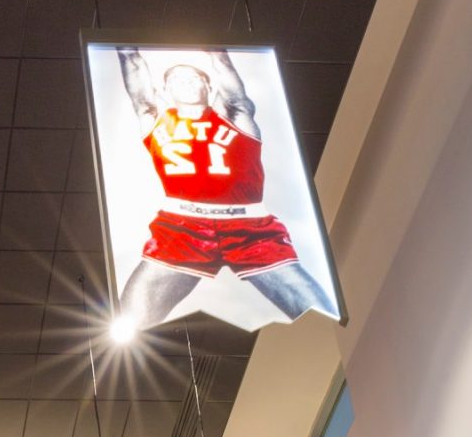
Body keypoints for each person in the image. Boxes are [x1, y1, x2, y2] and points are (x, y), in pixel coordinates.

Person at [113, 48, 339, 330]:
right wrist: (126, 50)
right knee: (129, 323)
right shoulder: (155, 117)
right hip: (182, 228)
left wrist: (217, 50)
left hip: (250, 227)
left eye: (194, 77)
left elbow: (232, 87)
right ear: (165, 90)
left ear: (209, 86)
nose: (185, 80)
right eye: (177, 78)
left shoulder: (236, 115)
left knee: (325, 317)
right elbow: (136, 78)